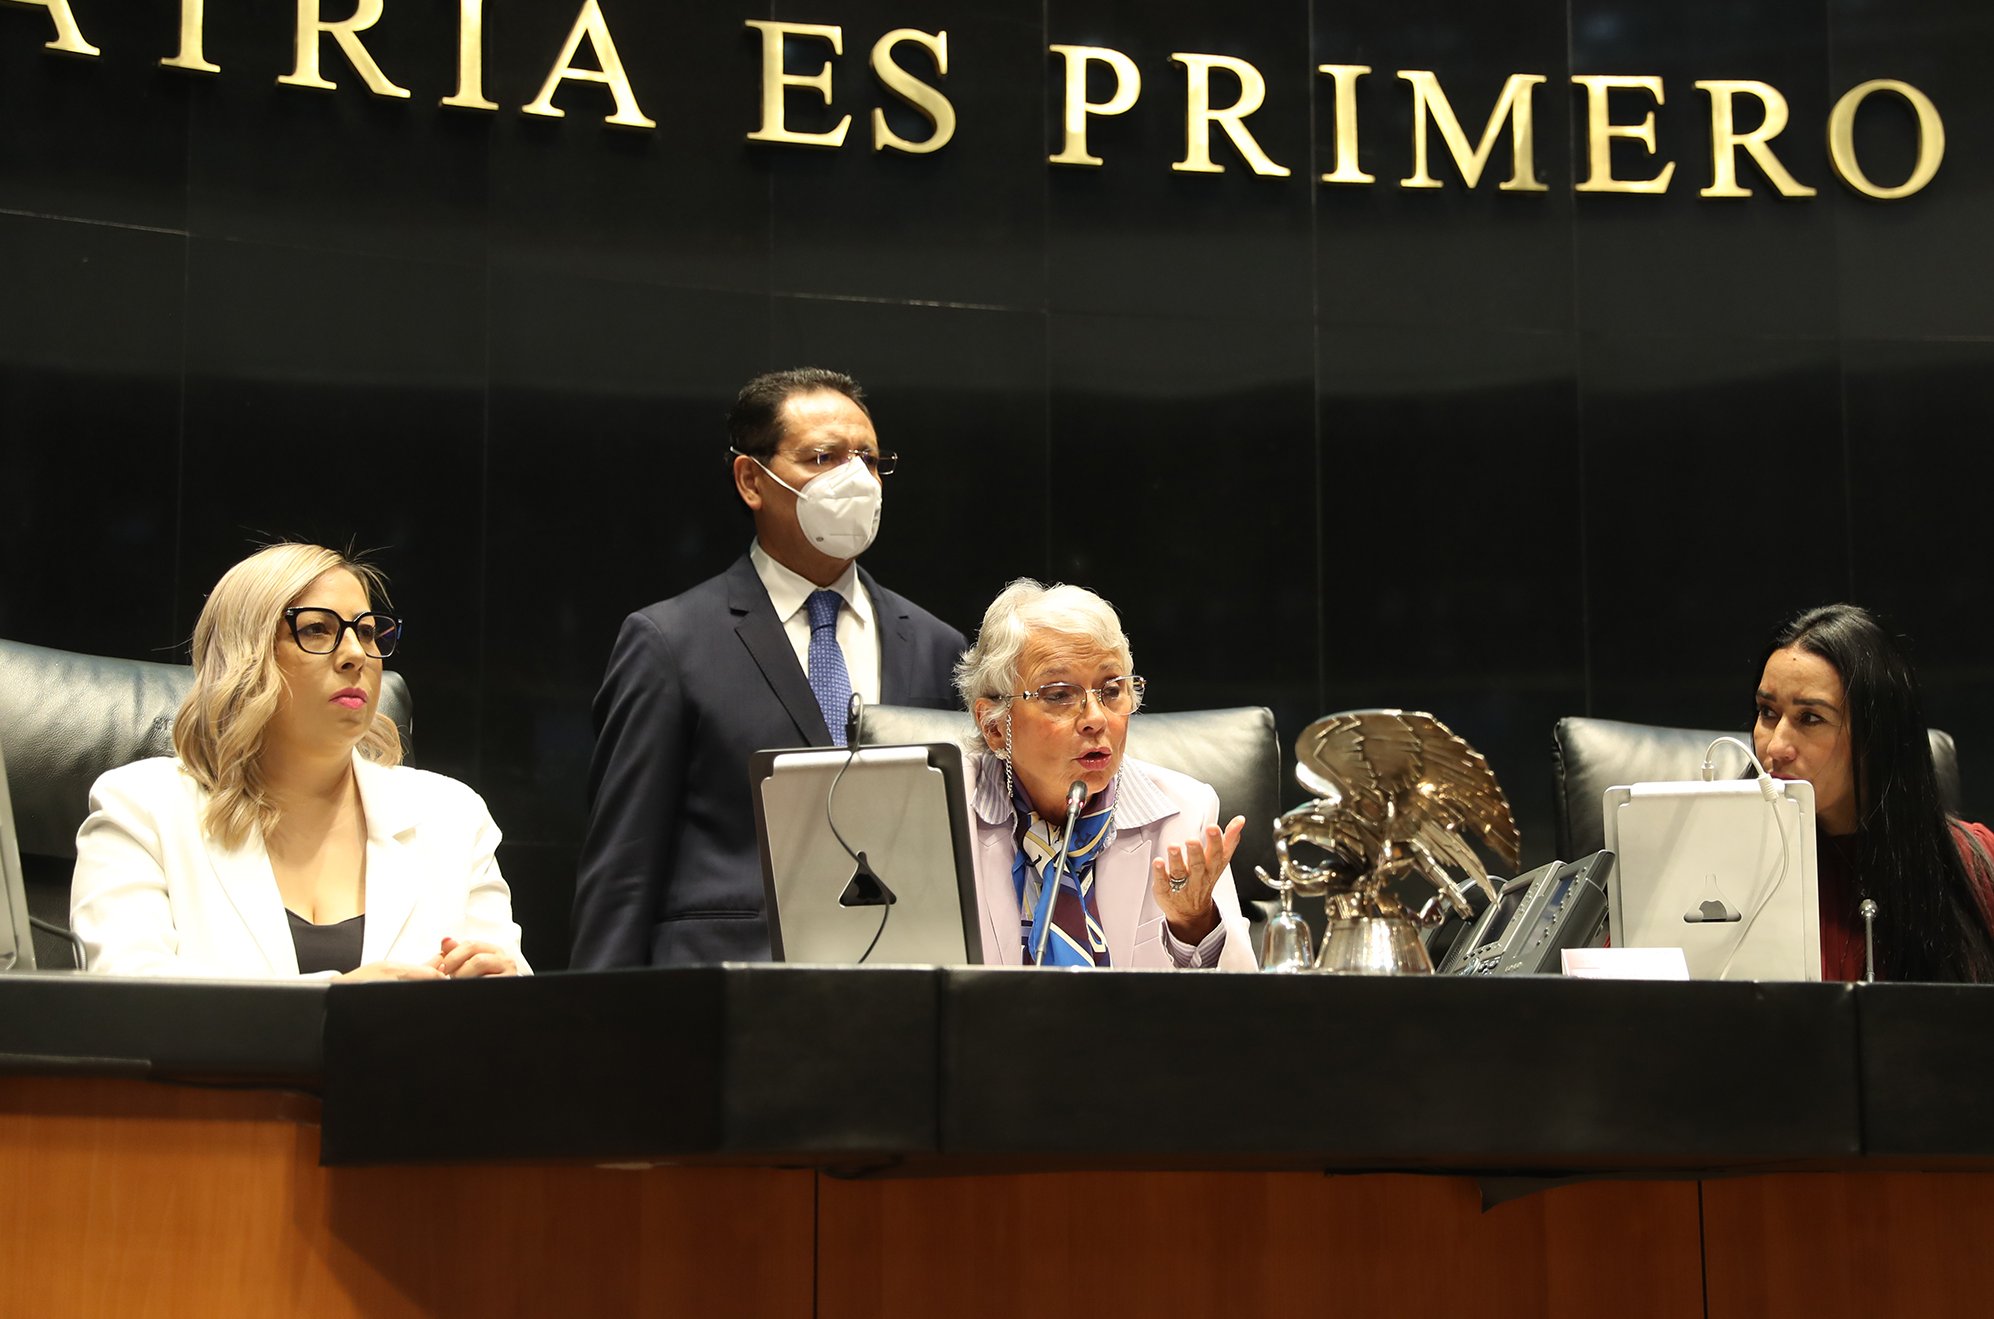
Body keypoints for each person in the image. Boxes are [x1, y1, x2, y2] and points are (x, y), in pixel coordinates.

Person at [572, 368, 967, 968]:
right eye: (823, 457)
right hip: (727, 983)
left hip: (898, 980)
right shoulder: (670, 643)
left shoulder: (936, 646)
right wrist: (598, 1015)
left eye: (868, 459)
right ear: (751, 480)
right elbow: (623, 868)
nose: (856, 479)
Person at [72, 544, 528, 980]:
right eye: (317, 630)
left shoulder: (452, 816)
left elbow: (518, 1004)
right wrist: (335, 998)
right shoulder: (142, 807)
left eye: (366, 632)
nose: (356, 654)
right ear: (244, 654)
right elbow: (126, 993)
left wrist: (505, 994)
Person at [956, 579, 1255, 969]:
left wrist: (1193, 924)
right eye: (1059, 695)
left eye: (1112, 690)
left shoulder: (1184, 813)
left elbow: (1243, 997)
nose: (1096, 719)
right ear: (994, 726)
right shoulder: (940, 812)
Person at [1751, 604, 1994, 985]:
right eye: (1767, 712)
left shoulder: (1973, 865)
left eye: (1810, 718)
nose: (1776, 746)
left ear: (1877, 736)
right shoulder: (1731, 861)